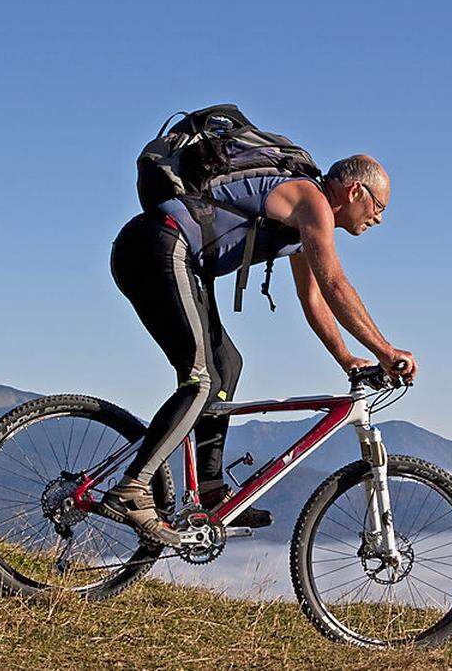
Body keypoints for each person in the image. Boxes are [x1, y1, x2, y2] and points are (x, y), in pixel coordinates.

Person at [100, 153, 417, 546]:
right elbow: (335, 283)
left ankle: (212, 491)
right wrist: (386, 350)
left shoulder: (305, 223)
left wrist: (348, 359)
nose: (379, 219)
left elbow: (315, 299)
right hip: (158, 246)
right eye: (379, 207)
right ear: (355, 191)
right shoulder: (310, 200)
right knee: (200, 380)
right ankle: (132, 488)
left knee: (227, 366)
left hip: (167, 251)